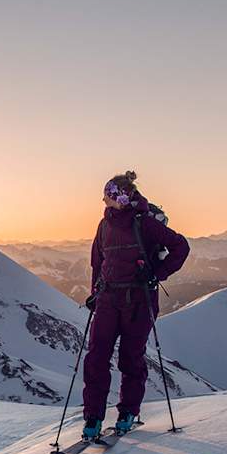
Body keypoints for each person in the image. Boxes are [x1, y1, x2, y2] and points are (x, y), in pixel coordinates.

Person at [80, 171, 189, 439]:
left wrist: (156, 273)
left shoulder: (145, 223)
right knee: (96, 358)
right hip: (108, 299)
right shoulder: (103, 225)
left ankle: (127, 412)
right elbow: (98, 262)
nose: (104, 201)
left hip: (138, 301)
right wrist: (95, 292)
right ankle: (93, 418)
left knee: (130, 359)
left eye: (107, 196)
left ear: (120, 197)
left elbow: (180, 247)